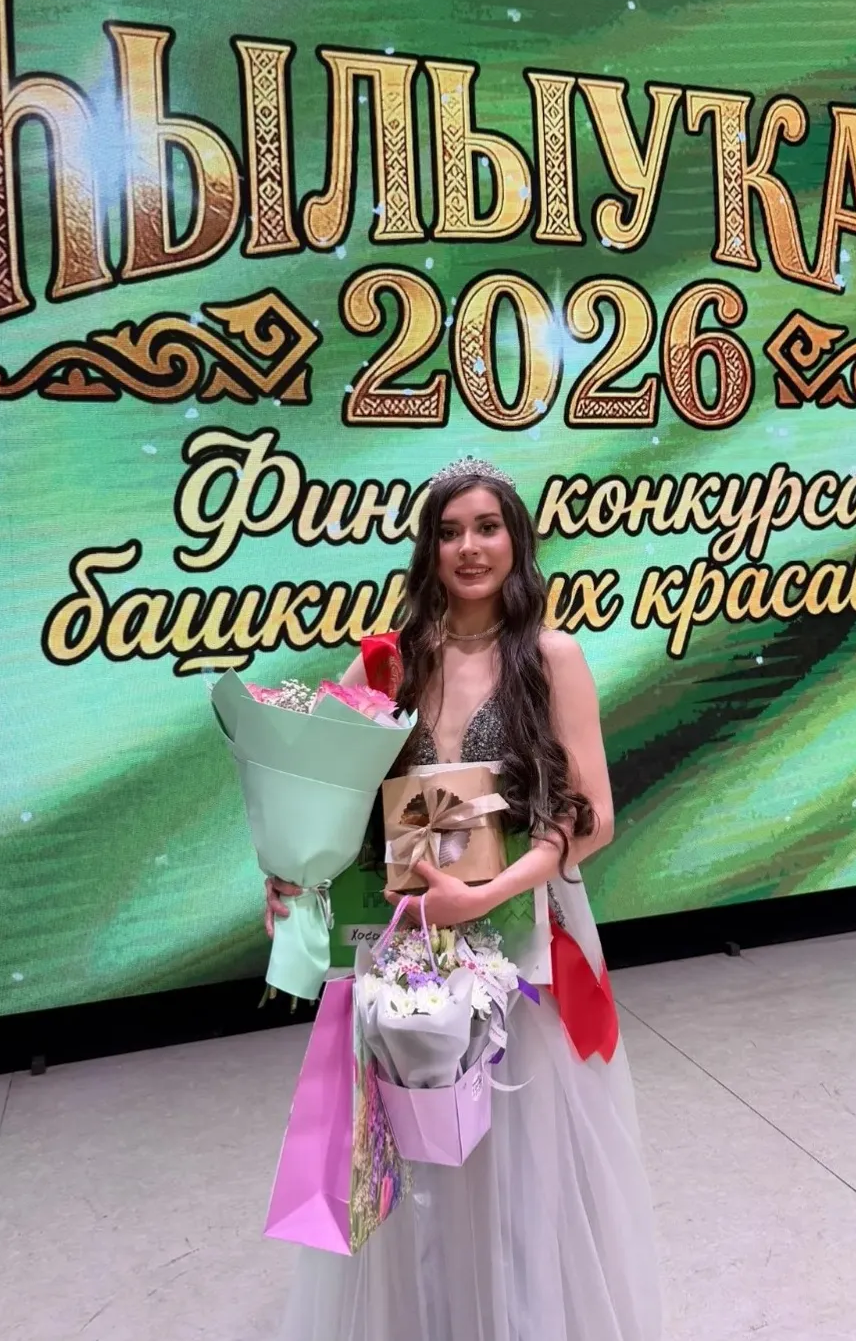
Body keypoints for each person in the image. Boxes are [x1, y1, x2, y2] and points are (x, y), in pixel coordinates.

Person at [265, 456, 662, 1341]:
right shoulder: (388, 660)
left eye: (487, 528)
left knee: (518, 1139)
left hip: (522, 935)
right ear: (428, 549)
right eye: (449, 532)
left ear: (516, 542)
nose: (469, 548)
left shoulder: (550, 657)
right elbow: (339, 802)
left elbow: (591, 816)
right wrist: (291, 865)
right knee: (414, 1136)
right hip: (406, 935)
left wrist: (491, 894)